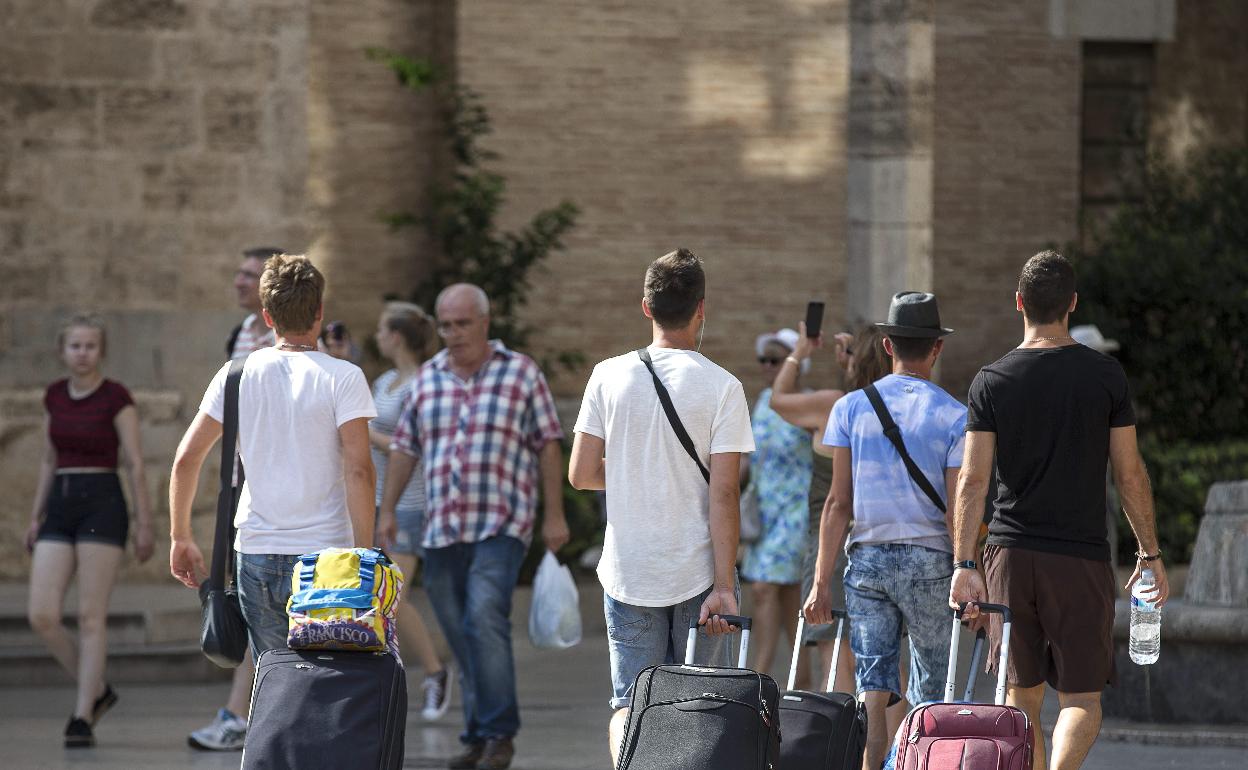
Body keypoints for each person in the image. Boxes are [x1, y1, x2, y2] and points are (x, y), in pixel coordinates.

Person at [951, 251, 1169, 770]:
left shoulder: (990, 380)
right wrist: (1151, 551)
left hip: (1010, 553)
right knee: (1082, 697)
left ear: (1019, 303)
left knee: (1019, 695)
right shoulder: (1105, 376)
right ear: (1072, 304)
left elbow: (973, 479)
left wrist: (963, 564)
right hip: (1080, 556)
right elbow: (1130, 472)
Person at [568, 248, 753, 768]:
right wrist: (723, 585)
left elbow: (581, 474)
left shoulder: (607, 375)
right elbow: (724, 493)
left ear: (646, 308)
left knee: (630, 705)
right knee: (697, 707)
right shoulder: (723, 387)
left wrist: (630, 475)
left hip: (628, 572)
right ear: (701, 309)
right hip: (698, 574)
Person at [380, 283, 568, 770]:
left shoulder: (521, 373)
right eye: (446, 325)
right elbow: (405, 448)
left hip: (501, 524)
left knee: (485, 618)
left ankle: (499, 734)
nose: (453, 333)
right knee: (461, 634)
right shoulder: (427, 380)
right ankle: (478, 733)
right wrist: (386, 511)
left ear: (485, 323)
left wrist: (554, 514)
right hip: (440, 529)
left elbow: (549, 443)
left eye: (463, 323)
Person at [168, 254, 378, 663]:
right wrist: (365, 555)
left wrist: (180, 536)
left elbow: (186, 460)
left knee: (275, 678)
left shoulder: (235, 375)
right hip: (328, 555)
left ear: (267, 316)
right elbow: (358, 470)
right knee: (328, 680)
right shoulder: (344, 377)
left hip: (258, 552)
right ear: (319, 311)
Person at [804, 291, 967, 770]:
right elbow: (956, 508)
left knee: (872, 685)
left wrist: (819, 583)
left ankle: (872, 766)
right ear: (936, 348)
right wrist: (966, 568)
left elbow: (837, 503)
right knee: (931, 687)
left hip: (867, 561)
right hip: (931, 562)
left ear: (890, 346)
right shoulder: (955, 415)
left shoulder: (850, 408)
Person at [25, 314, 155, 748]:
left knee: (89, 615)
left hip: (103, 498)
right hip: (61, 501)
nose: (82, 353)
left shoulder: (117, 397)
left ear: (102, 351)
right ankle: (97, 687)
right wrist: (35, 515)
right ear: (62, 350)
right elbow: (47, 458)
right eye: (75, 346)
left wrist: (145, 521)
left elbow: (135, 462)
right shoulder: (54, 395)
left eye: (90, 346)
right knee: (41, 613)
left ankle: (82, 714)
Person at [189, 245, 283, 752]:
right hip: (241, 484)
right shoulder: (241, 336)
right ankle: (247, 713)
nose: (239, 281)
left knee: (255, 605)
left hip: (270, 486)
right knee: (246, 602)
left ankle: (242, 714)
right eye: (239, 271)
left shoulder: (281, 342)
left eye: (250, 275)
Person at [770, 324, 889, 694]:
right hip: (879, 541)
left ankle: (839, 751)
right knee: (884, 665)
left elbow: (779, 398)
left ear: (855, 359)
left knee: (835, 655)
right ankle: (890, 752)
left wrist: (799, 353)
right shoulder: (891, 408)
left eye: (847, 352)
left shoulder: (835, 405)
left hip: (830, 544)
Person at [370, 301, 452, 720]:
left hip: (410, 506)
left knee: (391, 597)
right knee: (375, 598)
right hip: (377, 502)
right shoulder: (384, 381)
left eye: (382, 329)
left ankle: (435, 673)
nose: (377, 336)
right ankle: (384, 683)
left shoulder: (421, 383)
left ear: (397, 336)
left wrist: (367, 433)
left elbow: (414, 448)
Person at [741, 328, 813, 681]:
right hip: (765, 512)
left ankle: (760, 671)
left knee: (766, 588)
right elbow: (748, 459)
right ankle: (799, 676)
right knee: (784, 596)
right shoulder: (762, 401)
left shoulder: (809, 401)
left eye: (776, 360)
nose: (768, 366)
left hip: (796, 513)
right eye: (764, 360)